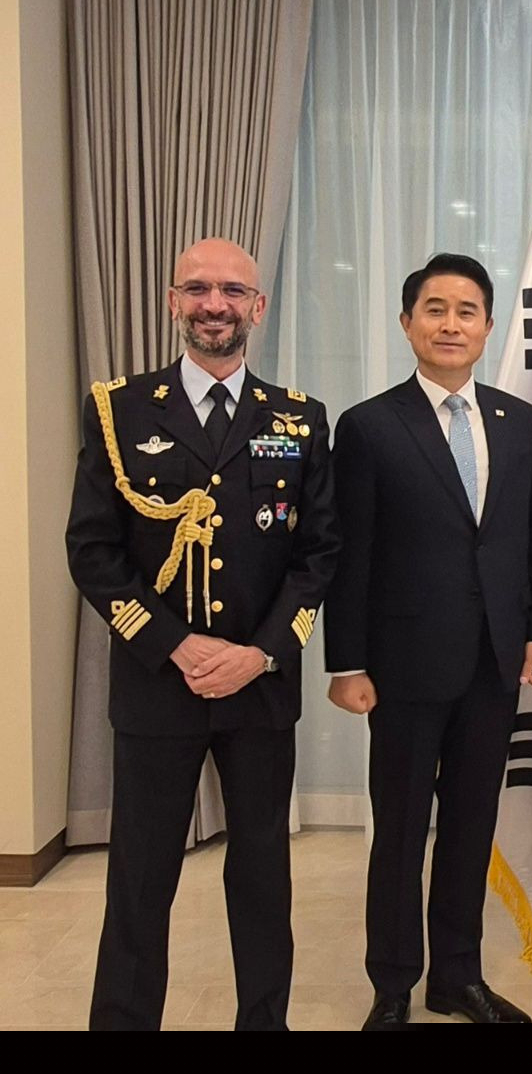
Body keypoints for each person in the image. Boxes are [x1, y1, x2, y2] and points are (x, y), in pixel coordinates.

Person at [66, 238, 340, 1030]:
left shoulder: (299, 418)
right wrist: (174, 645)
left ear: (257, 306)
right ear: (172, 300)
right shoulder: (119, 410)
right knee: (141, 878)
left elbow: (318, 553)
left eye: (231, 290)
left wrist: (260, 651)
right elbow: (91, 549)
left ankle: (265, 1022)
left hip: (260, 687)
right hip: (159, 685)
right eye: (198, 289)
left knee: (262, 876)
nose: (213, 303)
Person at [324, 253, 532, 1028]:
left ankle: (457, 975)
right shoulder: (367, 426)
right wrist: (347, 661)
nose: (451, 322)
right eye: (435, 308)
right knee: (398, 833)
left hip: (494, 663)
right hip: (400, 669)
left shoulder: (517, 421)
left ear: (489, 326)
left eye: (467, 310)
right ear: (407, 323)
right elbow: (348, 552)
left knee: (470, 827)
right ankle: (392, 983)